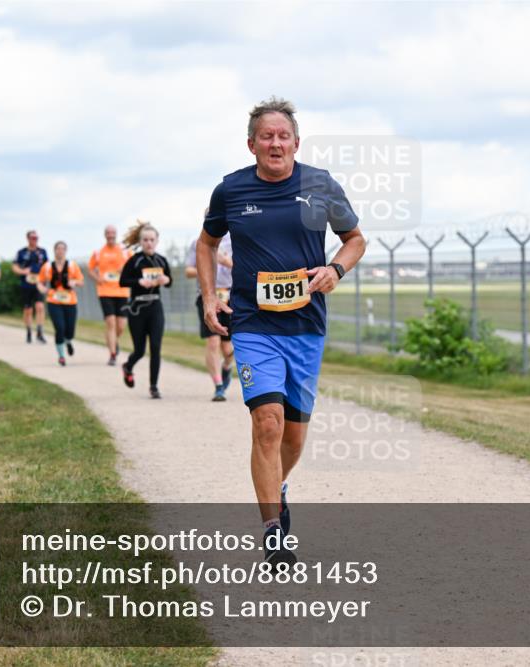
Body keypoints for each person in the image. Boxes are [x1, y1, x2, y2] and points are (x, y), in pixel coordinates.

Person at [198, 96, 365, 566]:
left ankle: (279, 486)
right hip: (252, 321)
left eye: (283, 136)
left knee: (293, 436)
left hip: (305, 325)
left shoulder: (320, 185)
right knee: (266, 423)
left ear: (296, 141)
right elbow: (206, 244)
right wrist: (211, 297)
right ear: (251, 144)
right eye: (266, 136)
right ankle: (273, 529)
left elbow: (355, 239)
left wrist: (336, 269)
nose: (275, 143)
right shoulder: (230, 190)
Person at [118, 220, 172, 399]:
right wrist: (138, 282)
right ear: (141, 242)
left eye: (152, 240)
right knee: (140, 350)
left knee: (155, 347)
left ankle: (154, 386)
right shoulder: (135, 261)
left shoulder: (161, 260)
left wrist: (166, 280)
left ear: (157, 241)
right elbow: (122, 281)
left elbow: (169, 281)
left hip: (155, 306)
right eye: (146, 240)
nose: (149, 243)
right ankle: (128, 366)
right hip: (137, 309)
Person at [185, 232, 235, 401]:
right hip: (207, 296)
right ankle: (218, 386)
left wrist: (226, 262)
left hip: (230, 296)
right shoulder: (198, 242)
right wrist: (207, 264)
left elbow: (244, 269)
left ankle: (227, 367)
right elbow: (189, 271)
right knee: (213, 342)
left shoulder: (235, 240)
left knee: (229, 350)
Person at [88, 225, 132, 365]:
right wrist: (97, 278)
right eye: (108, 233)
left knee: (121, 326)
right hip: (105, 291)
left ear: (116, 234)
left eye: (113, 232)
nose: (110, 235)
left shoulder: (125, 252)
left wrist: (125, 269)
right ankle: (113, 355)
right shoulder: (98, 252)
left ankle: (113, 341)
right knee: (111, 323)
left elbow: (134, 265)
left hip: (122, 291)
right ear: (104, 235)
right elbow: (90, 269)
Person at [37, 241, 84, 366]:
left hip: (70, 301)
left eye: (63, 249)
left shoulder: (72, 266)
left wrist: (74, 283)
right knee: (60, 328)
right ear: (54, 250)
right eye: (58, 248)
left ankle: (68, 341)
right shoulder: (47, 267)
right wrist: (42, 289)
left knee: (70, 330)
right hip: (54, 300)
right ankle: (61, 356)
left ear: (66, 251)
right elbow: (39, 281)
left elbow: (81, 281)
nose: (60, 251)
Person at [12, 230, 49, 344]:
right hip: (26, 284)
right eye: (32, 238)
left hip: (39, 283)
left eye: (36, 238)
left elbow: (47, 267)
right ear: (28, 238)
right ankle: (28, 331)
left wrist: (45, 278)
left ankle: (39, 332)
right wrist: (23, 271)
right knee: (28, 309)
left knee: (40, 307)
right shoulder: (21, 252)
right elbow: (14, 267)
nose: (34, 240)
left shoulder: (42, 252)